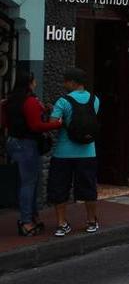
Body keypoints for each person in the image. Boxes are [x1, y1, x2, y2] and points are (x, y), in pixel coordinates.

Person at [2, 71, 62, 237]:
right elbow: (36, 126)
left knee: (28, 181)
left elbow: (4, 122)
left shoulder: (9, 101)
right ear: (29, 83)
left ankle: (32, 216)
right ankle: (26, 222)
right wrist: (56, 124)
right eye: (34, 81)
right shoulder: (30, 102)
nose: (35, 83)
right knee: (29, 183)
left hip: (13, 142)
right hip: (27, 144)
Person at [47, 67, 100, 237]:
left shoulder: (62, 101)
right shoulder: (95, 99)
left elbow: (53, 123)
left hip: (63, 152)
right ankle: (91, 221)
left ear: (72, 82)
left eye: (65, 81)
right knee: (88, 187)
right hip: (88, 152)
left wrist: (59, 119)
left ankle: (62, 223)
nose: (64, 84)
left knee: (60, 187)